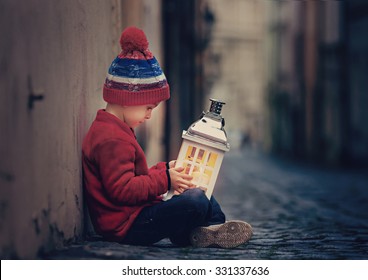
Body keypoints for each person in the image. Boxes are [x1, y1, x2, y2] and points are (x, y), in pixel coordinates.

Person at [82, 26, 252, 248]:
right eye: (148, 107)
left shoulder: (115, 129)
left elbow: (134, 178)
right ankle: (199, 231)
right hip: (127, 226)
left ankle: (210, 230)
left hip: (136, 215)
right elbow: (123, 190)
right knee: (195, 200)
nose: (149, 115)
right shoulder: (111, 138)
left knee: (200, 191)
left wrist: (165, 170)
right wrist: (166, 180)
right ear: (127, 98)